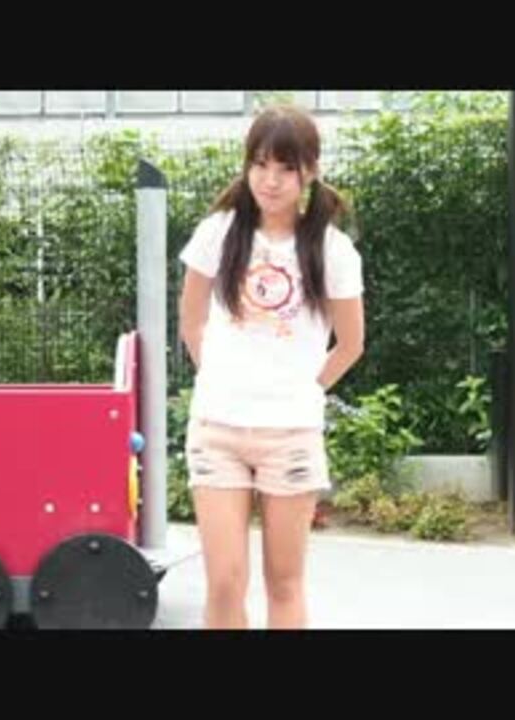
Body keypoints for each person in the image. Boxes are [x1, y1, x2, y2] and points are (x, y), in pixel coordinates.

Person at [177, 104, 365, 629]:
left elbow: (351, 344)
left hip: (291, 436)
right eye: (260, 164)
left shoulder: (332, 250)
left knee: (284, 582)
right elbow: (191, 321)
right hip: (217, 431)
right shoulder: (218, 233)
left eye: (286, 167)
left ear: (310, 171)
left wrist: (303, 391)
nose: (270, 180)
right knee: (224, 582)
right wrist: (219, 379)